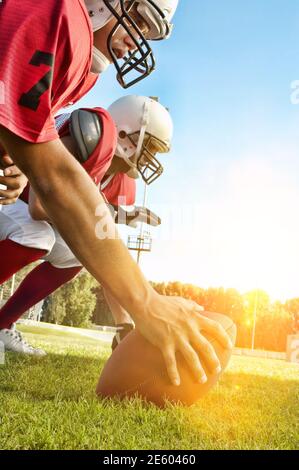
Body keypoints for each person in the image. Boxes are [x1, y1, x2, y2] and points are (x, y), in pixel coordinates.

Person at [0, 1, 232, 387]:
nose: (137, 39)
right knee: (39, 234)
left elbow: (97, 232)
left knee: (75, 248)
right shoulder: (61, 17)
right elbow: (52, 187)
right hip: (21, 217)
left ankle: (4, 323)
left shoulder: (82, 72)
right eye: (139, 19)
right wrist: (146, 302)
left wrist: (16, 165)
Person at [0, 96, 171, 355]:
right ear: (124, 132)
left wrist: (123, 325)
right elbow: (39, 207)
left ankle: (3, 324)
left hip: (25, 214)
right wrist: (108, 213)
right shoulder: (93, 134)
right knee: (38, 236)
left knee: (76, 256)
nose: (151, 158)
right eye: (150, 146)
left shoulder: (124, 185)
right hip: (10, 194)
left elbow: (107, 253)